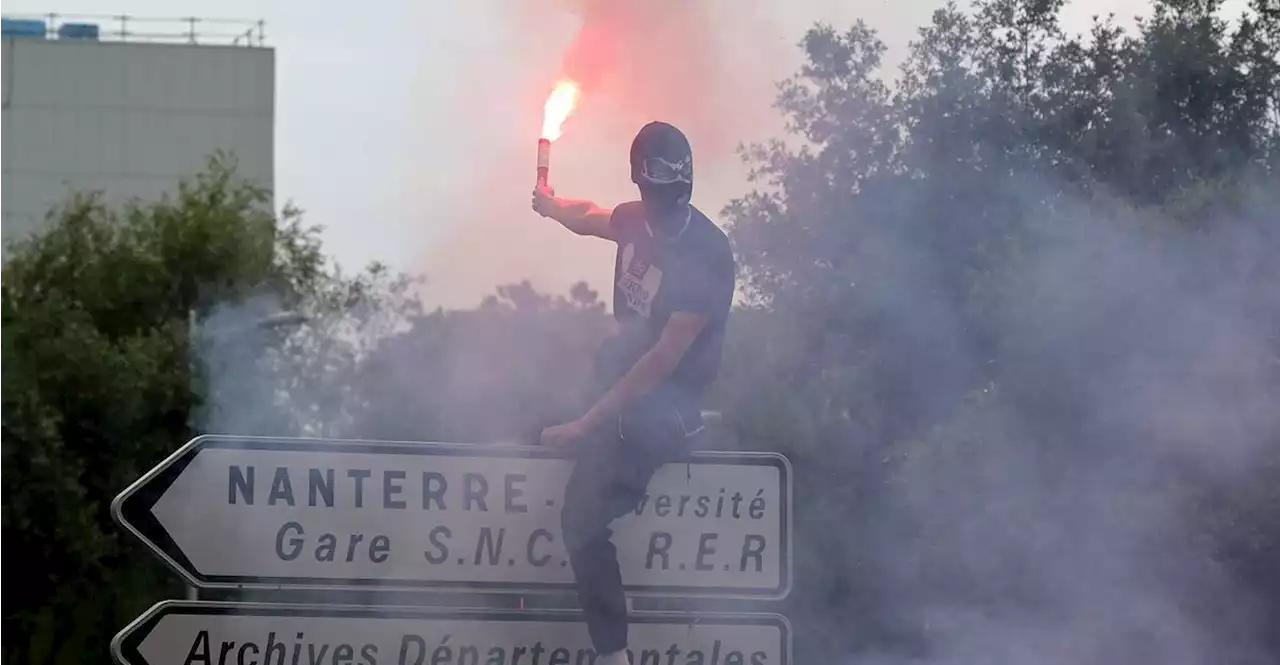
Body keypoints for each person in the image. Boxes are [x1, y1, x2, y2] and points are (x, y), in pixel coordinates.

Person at [530, 121, 736, 665]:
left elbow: (662, 362)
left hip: (665, 407)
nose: (661, 216)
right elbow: (593, 217)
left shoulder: (707, 255)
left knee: (581, 517)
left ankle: (613, 655)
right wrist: (550, 206)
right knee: (527, 412)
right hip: (620, 385)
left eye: (669, 204)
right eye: (654, 203)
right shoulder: (635, 220)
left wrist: (585, 424)